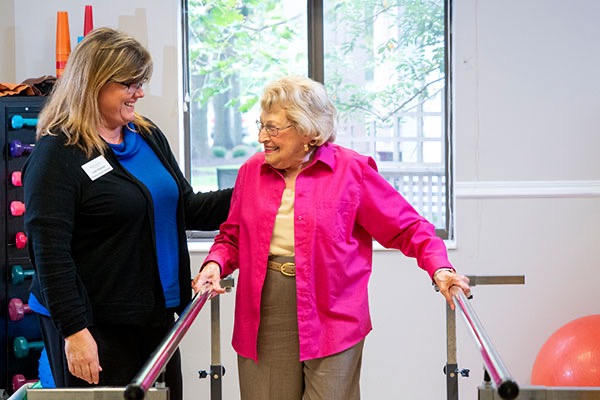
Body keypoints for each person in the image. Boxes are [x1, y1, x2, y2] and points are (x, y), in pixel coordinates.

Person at [193, 75, 472, 400]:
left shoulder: (352, 171)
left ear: (309, 132)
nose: (261, 137)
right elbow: (233, 237)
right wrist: (215, 263)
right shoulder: (251, 172)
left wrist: (439, 268)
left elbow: (407, 227)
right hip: (266, 310)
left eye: (273, 128)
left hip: (333, 309)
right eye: (261, 125)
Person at [23, 27, 232, 400]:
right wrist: (74, 331)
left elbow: (184, 208)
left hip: (155, 315)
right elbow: (49, 252)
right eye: (130, 83)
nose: (139, 92)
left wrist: (256, 187)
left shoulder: (145, 134)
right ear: (94, 83)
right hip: (94, 322)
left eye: (141, 82)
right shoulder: (58, 152)